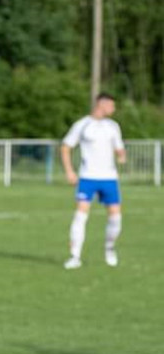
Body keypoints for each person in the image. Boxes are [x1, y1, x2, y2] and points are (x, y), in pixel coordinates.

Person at [61, 92, 127, 269]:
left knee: (115, 217)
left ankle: (110, 248)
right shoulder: (82, 125)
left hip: (109, 178)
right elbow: (66, 147)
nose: (113, 109)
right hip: (88, 177)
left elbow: (119, 148)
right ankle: (75, 256)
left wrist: (121, 155)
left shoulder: (113, 126)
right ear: (101, 104)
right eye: (111, 105)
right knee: (81, 215)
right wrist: (69, 171)